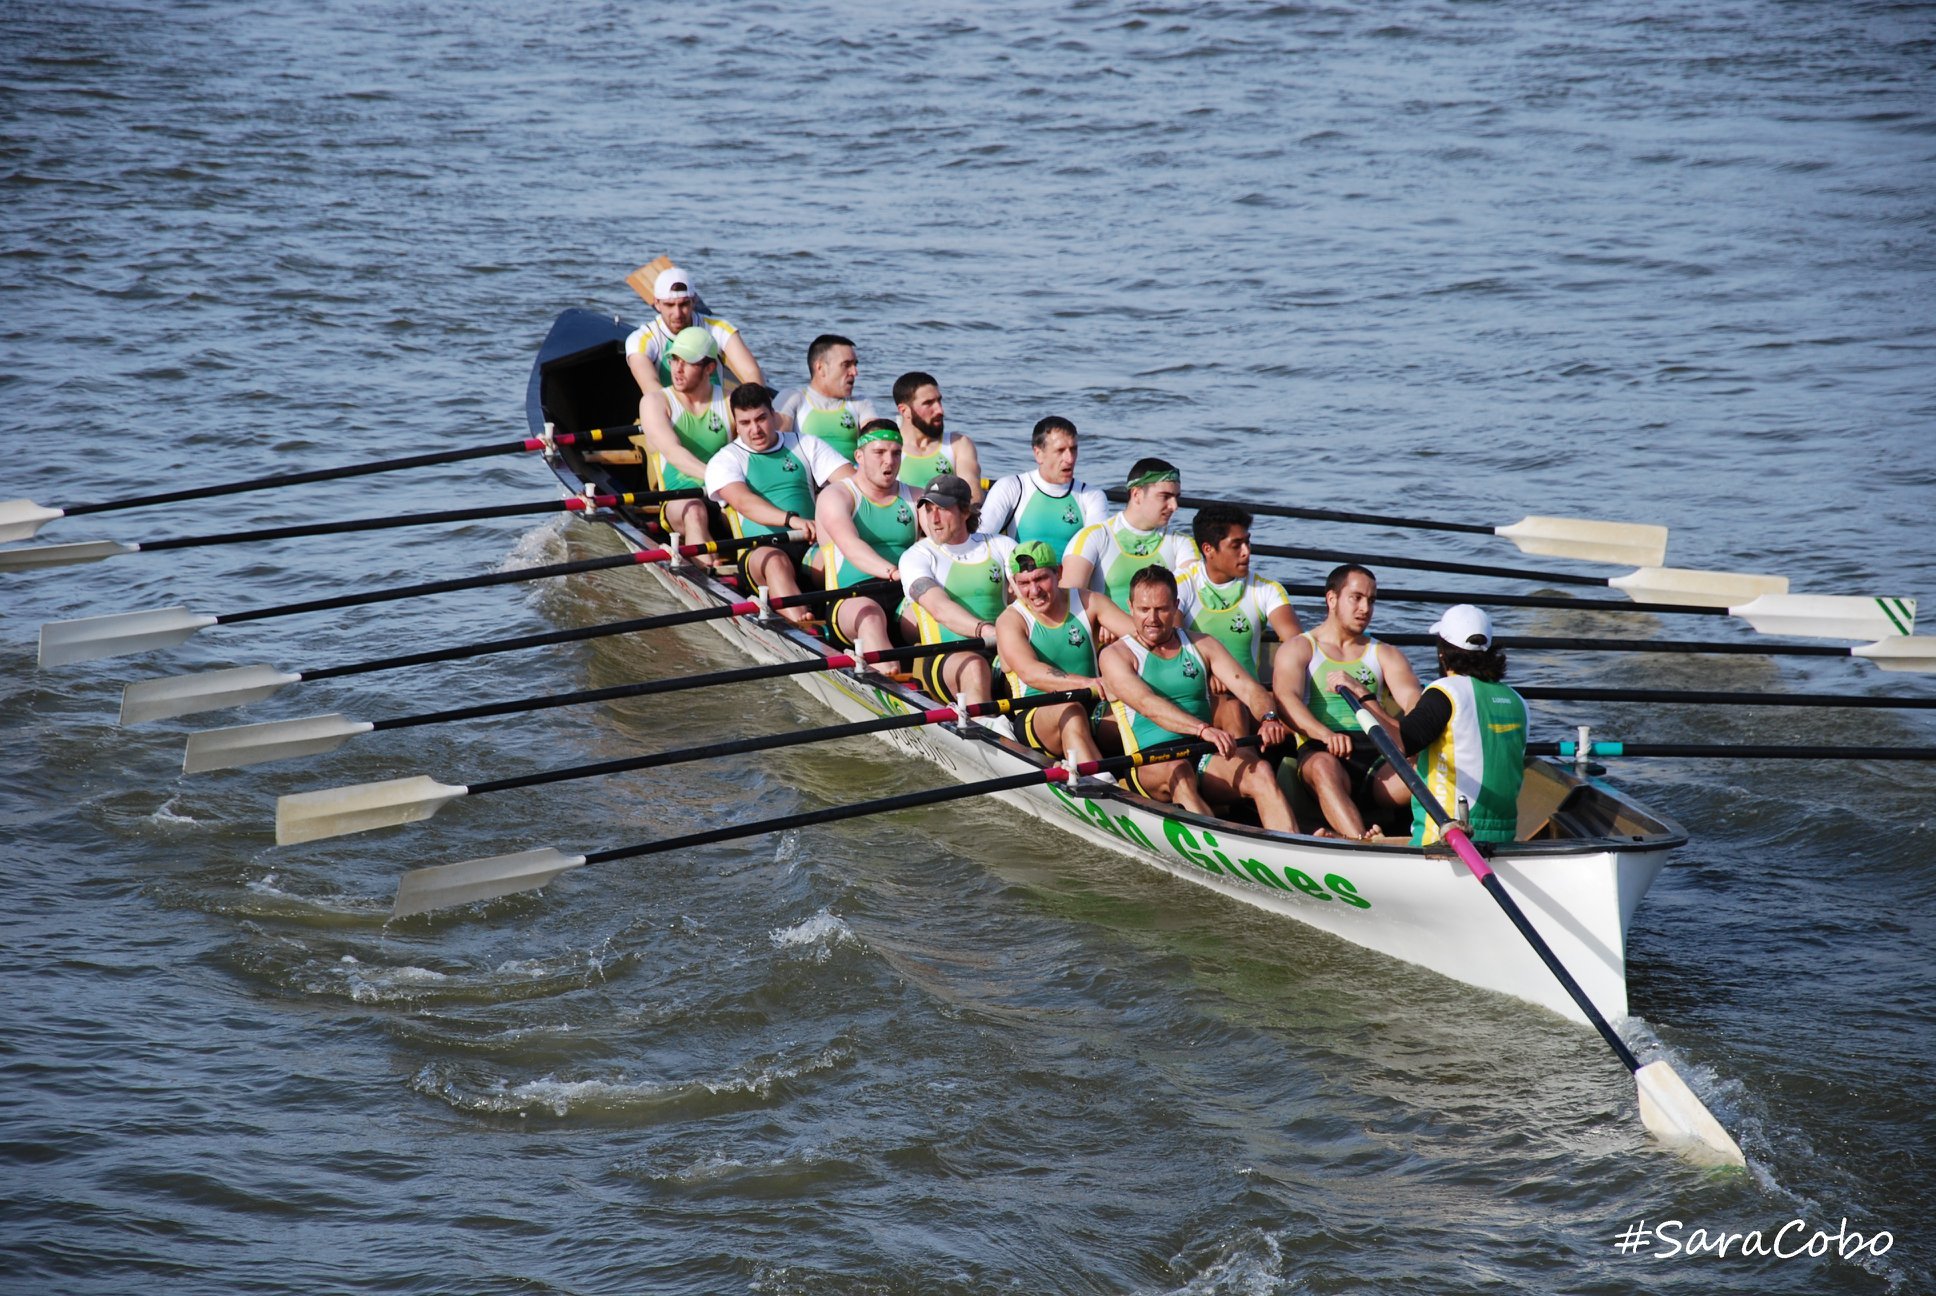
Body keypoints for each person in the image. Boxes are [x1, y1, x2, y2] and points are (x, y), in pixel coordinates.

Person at [1099, 565, 1297, 831]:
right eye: (1144, 610)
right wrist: (1203, 729)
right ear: (1130, 608)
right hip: (1149, 762)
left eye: (1162, 609)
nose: (1153, 619)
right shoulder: (1116, 655)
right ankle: (1224, 856)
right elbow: (1148, 705)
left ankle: (1288, 850)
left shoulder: (1202, 644)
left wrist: (1269, 717)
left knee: (1260, 772)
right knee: (1179, 772)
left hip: (1201, 752)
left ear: (1176, 607)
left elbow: (1250, 690)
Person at [1340, 605, 1528, 847]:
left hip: (1448, 837)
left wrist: (1364, 697)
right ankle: (1372, 841)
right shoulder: (1517, 701)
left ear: (1443, 653)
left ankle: (1349, 842)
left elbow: (1399, 745)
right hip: (1502, 840)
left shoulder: (1446, 693)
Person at [1271, 563, 1423, 840]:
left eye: (1371, 600)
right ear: (1332, 599)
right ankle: (1362, 843)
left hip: (1379, 758)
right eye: (1356, 598)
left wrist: (1417, 743)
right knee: (1322, 767)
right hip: (1324, 751)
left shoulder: (1385, 654)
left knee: (1430, 767)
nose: (1365, 608)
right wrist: (1325, 734)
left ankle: (1444, 833)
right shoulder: (1300, 648)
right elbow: (1285, 701)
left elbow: (1415, 705)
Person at [703, 383, 853, 628]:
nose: (755, 430)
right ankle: (802, 629)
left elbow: (852, 485)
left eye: (761, 419)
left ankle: (853, 622)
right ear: (735, 424)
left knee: (843, 559)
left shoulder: (805, 444)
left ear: (774, 414)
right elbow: (744, 502)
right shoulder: (725, 459)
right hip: (759, 552)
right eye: (745, 423)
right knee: (775, 560)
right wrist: (791, 520)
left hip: (810, 544)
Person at [995, 538, 1136, 767]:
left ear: (1058, 573)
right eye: (1024, 583)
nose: (1034, 590)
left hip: (1093, 704)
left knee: (1142, 709)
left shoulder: (1090, 601)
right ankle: (1100, 784)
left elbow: (1144, 642)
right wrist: (1088, 683)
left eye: (1041, 578)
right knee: (1071, 710)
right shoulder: (1010, 620)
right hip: (1036, 716)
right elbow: (1031, 673)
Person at [1177, 502, 1301, 735]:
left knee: (1301, 716)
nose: (1246, 552)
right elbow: (1170, 641)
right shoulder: (1181, 585)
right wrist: (1211, 670)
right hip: (1199, 696)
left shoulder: (1267, 589)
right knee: (1233, 709)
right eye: (1236, 545)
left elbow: (1298, 646)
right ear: (1208, 549)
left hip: (1252, 698)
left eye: (1248, 542)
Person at [899, 473, 1015, 709]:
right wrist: (986, 630)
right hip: (944, 656)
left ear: (965, 512)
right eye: (928, 509)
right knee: (975, 666)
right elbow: (939, 609)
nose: (934, 518)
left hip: (1002, 648)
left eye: (942, 508)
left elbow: (1027, 597)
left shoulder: (1001, 546)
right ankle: (984, 728)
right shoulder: (917, 556)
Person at [816, 419, 921, 655]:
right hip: (850, 598)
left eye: (896, 453)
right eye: (879, 452)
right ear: (859, 455)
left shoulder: (915, 497)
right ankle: (888, 677)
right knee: (871, 616)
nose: (889, 461)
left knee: (932, 616)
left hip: (903, 594)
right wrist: (895, 573)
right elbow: (851, 546)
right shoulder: (837, 495)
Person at [634, 326, 732, 556]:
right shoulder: (656, 402)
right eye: (674, 359)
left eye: (686, 362)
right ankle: (706, 576)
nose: (677, 369)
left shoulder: (730, 401)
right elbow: (673, 451)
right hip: (680, 497)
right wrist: (719, 480)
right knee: (695, 512)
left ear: (709, 367)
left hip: (727, 493)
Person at [1059, 457, 1200, 614]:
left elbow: (1191, 600)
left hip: (1158, 634)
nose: (1174, 506)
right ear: (1137, 494)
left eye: (1176, 497)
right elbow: (1067, 603)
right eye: (1165, 497)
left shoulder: (1183, 543)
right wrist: (1101, 620)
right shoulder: (1092, 537)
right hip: (1105, 636)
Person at [978, 416, 1108, 557]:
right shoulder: (1011, 487)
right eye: (1060, 450)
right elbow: (981, 543)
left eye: (1073, 449)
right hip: (1024, 577)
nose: (1070, 459)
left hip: (1072, 578)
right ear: (1038, 454)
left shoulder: (1092, 496)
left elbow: (1097, 552)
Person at [624, 265, 764, 390]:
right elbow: (651, 387)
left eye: (684, 304)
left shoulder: (718, 329)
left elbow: (752, 374)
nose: (677, 314)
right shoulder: (641, 339)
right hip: (668, 412)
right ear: (657, 304)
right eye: (669, 305)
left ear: (694, 301)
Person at [776, 334, 878, 460]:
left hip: (849, 477)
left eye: (855, 365)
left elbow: (878, 446)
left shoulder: (861, 403)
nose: (855, 372)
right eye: (846, 365)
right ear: (820, 368)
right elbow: (776, 447)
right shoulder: (792, 398)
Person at [891, 371, 981, 498]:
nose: (940, 410)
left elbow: (972, 490)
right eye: (928, 403)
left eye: (939, 401)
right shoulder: (889, 448)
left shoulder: (959, 444)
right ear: (904, 411)